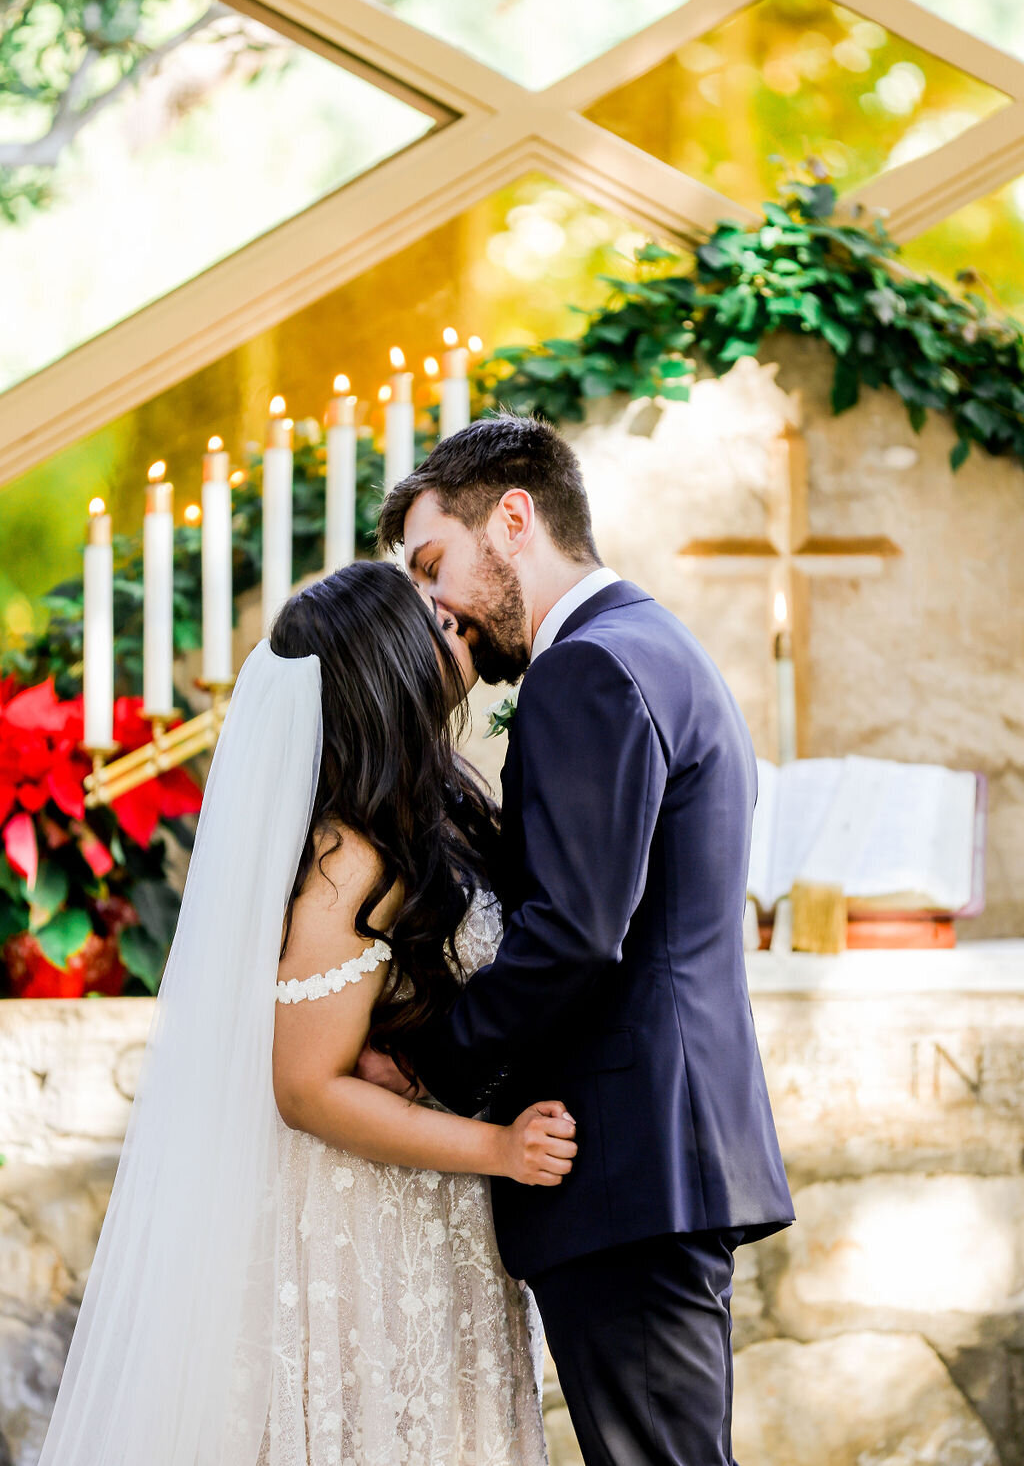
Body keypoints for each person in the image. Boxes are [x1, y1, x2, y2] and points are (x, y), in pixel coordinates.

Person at [37, 562, 570, 1466]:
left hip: (430, 1211)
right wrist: (499, 1149)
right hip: (370, 1225)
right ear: (384, 670)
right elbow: (305, 1087)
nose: (455, 630)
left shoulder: (426, 808)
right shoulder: (349, 859)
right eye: (431, 624)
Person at [366, 412, 796, 1466]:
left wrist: (424, 1066)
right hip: (658, 1151)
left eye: (436, 565)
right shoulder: (654, 642)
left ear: (512, 517)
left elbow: (572, 934)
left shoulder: (587, 668)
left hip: (622, 1158)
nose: (438, 607)